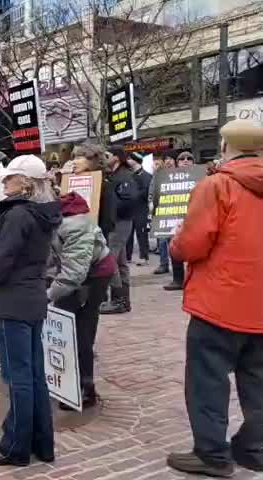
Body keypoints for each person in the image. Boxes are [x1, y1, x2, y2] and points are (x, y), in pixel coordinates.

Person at [166, 119, 263, 478]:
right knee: (258, 382)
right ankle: (254, 448)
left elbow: (192, 244)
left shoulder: (217, 185)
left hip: (219, 303)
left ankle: (211, 455)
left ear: (226, 147)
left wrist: (176, 241)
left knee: (208, 381)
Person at [0, 155, 61, 466]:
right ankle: (41, 443)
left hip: (12, 301)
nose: (3, 182)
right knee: (35, 376)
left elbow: (3, 262)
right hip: (32, 299)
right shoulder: (39, 213)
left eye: (9, 177)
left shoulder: (18, 215)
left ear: (23, 182)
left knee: (18, 377)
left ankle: (15, 446)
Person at [48, 192, 117, 410]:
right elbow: (52, 255)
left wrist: (48, 295)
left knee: (81, 330)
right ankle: (72, 383)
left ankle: (86, 389)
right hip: (83, 272)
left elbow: (74, 273)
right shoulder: (56, 218)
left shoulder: (74, 225)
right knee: (70, 326)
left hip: (95, 275)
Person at [99, 147, 139, 315]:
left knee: (111, 262)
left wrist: (115, 215)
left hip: (119, 223)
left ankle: (118, 299)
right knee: (120, 262)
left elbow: (130, 199)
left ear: (117, 157)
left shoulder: (124, 176)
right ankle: (124, 300)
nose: (105, 158)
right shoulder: (114, 176)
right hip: (115, 223)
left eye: (107, 155)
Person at [163, 151, 195, 291]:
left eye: (189, 158)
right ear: (177, 162)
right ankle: (178, 279)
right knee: (174, 249)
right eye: (182, 159)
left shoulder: (202, 177)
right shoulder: (166, 178)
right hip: (174, 219)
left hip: (195, 219)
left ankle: (194, 279)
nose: (186, 160)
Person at [152, 155, 178, 275]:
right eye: (166, 159)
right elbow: (152, 191)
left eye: (171, 158)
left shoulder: (181, 174)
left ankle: (177, 266)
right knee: (162, 240)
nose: (168, 161)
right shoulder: (158, 175)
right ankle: (164, 264)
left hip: (177, 211)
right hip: (162, 211)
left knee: (175, 241)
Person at [126, 156, 152, 266]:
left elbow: (146, 192)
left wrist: (132, 194)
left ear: (135, 160)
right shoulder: (128, 175)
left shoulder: (146, 176)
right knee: (128, 234)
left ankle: (144, 256)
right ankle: (127, 256)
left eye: (129, 158)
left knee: (141, 233)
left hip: (141, 209)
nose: (127, 160)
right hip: (129, 209)